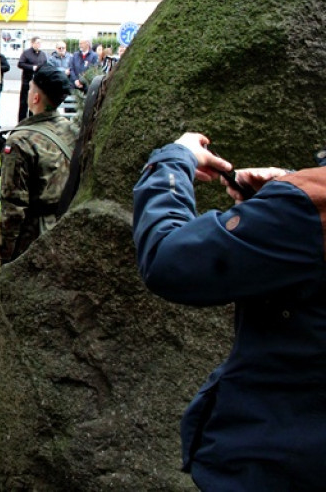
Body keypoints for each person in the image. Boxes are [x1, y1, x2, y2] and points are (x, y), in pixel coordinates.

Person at [133, 132, 326, 491]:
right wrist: (284, 197)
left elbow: (169, 260)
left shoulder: (309, 206)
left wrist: (172, 161)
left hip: (277, 463)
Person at [0, 62, 75, 264]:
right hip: (66, 227)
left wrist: (5, 256)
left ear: (35, 97)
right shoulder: (71, 130)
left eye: (30, 88)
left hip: (32, 238)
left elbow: (13, 207)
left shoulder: (20, 141)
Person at [16, 36, 47, 122]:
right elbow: (20, 64)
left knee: (35, 103)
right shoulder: (26, 53)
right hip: (27, 82)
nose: (39, 45)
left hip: (38, 83)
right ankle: (22, 122)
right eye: (37, 43)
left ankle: (32, 121)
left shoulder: (42, 54)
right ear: (32, 43)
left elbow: (45, 65)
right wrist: (32, 67)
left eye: (40, 43)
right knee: (24, 102)